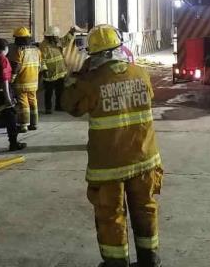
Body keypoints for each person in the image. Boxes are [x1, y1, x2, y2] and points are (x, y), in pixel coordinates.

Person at [62, 25, 163, 267]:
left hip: (109, 166)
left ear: (94, 55)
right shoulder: (141, 74)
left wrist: (73, 77)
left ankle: (117, 263)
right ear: (119, 49)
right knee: (145, 209)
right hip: (145, 159)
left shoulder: (90, 82)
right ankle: (150, 261)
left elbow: (71, 106)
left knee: (111, 215)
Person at [9, 27, 43, 132]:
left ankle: (23, 125)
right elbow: (40, 66)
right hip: (33, 82)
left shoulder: (19, 51)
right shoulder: (37, 50)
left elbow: (16, 67)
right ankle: (34, 124)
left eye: (16, 38)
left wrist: (11, 80)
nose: (15, 41)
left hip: (22, 82)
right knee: (33, 101)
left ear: (20, 39)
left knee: (23, 103)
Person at [39, 25, 76, 114]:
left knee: (60, 91)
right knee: (49, 92)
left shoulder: (56, 42)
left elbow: (64, 41)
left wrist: (71, 32)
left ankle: (58, 106)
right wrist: (44, 70)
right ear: (51, 36)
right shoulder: (44, 46)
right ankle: (48, 108)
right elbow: (41, 60)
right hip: (49, 74)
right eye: (56, 36)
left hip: (60, 72)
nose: (58, 38)